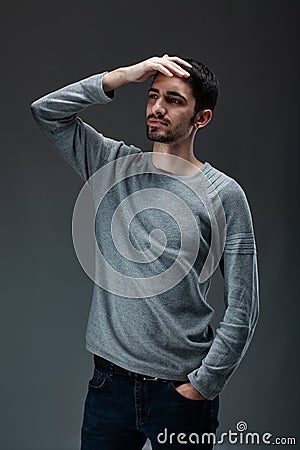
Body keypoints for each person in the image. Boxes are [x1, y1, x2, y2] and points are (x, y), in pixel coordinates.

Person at [30, 54, 260, 449]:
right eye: (153, 95)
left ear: (200, 118)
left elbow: (244, 305)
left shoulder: (224, 195)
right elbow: (46, 112)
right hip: (109, 387)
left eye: (173, 100)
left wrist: (203, 385)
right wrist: (121, 77)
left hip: (180, 392)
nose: (157, 107)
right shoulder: (112, 164)